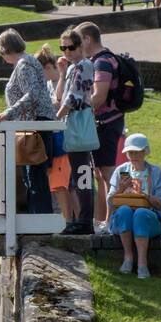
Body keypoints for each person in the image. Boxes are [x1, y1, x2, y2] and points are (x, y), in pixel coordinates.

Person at [0, 28, 56, 214]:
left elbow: (32, 94)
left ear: (5, 50)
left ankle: (39, 221)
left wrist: (8, 113)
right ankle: (38, 220)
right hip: (35, 124)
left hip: (34, 125)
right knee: (34, 176)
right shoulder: (28, 61)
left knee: (35, 176)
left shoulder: (23, 65)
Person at [75, 21, 128, 231]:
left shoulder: (102, 63)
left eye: (79, 41)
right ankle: (100, 221)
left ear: (88, 39)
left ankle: (111, 222)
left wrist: (76, 105)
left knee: (107, 174)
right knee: (99, 174)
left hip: (107, 123)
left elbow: (98, 97)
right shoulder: (102, 59)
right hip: (106, 123)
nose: (79, 47)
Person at [107, 133, 161, 279]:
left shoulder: (155, 172)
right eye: (129, 152)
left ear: (145, 151)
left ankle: (142, 263)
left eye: (136, 151)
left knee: (140, 213)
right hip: (122, 219)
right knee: (125, 210)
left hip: (148, 217)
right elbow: (110, 201)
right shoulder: (121, 171)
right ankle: (128, 258)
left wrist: (147, 198)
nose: (132, 155)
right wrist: (120, 189)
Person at [54, 26, 95, 234]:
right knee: (76, 174)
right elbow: (60, 95)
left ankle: (86, 221)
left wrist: (56, 119)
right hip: (71, 124)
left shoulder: (85, 66)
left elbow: (73, 98)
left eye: (70, 48)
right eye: (63, 48)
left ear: (80, 47)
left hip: (78, 123)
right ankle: (80, 219)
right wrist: (61, 73)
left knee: (82, 173)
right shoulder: (71, 68)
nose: (66, 52)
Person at [36, 44, 71, 220]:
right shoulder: (50, 83)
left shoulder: (61, 82)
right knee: (58, 185)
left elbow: (59, 104)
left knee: (63, 184)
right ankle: (66, 218)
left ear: (48, 68)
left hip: (62, 138)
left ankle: (69, 220)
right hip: (55, 137)